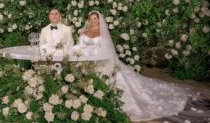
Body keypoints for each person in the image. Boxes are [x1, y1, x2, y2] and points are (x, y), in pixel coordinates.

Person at [78, 11, 210, 122]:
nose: (93, 21)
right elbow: (80, 46)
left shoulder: (103, 33)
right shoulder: (84, 32)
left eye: (95, 18)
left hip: (102, 61)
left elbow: (107, 50)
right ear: (88, 20)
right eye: (91, 19)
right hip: (88, 61)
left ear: (99, 20)